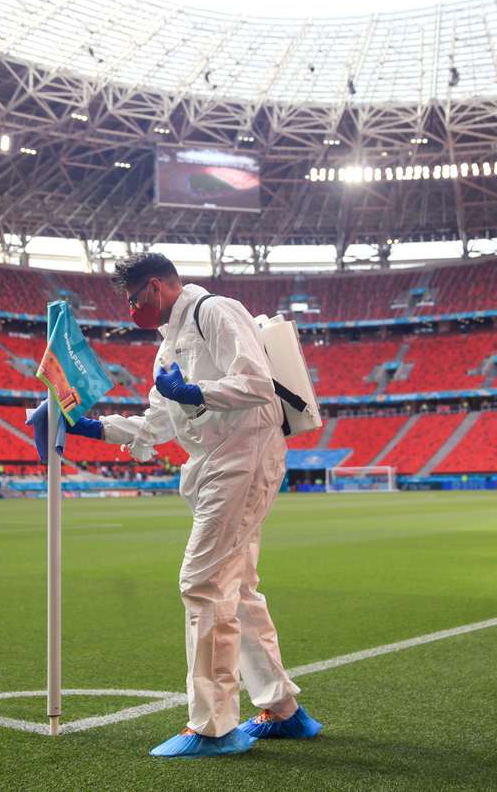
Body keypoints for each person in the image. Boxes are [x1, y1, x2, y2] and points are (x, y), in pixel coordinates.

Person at [31, 252, 321, 758]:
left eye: (133, 297)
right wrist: (90, 426)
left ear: (159, 286)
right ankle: (281, 709)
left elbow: (255, 383)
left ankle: (212, 726)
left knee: (202, 582)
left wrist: (194, 391)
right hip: (218, 463)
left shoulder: (216, 311)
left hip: (244, 457)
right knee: (238, 587)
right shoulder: (167, 347)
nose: (130, 308)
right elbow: (156, 425)